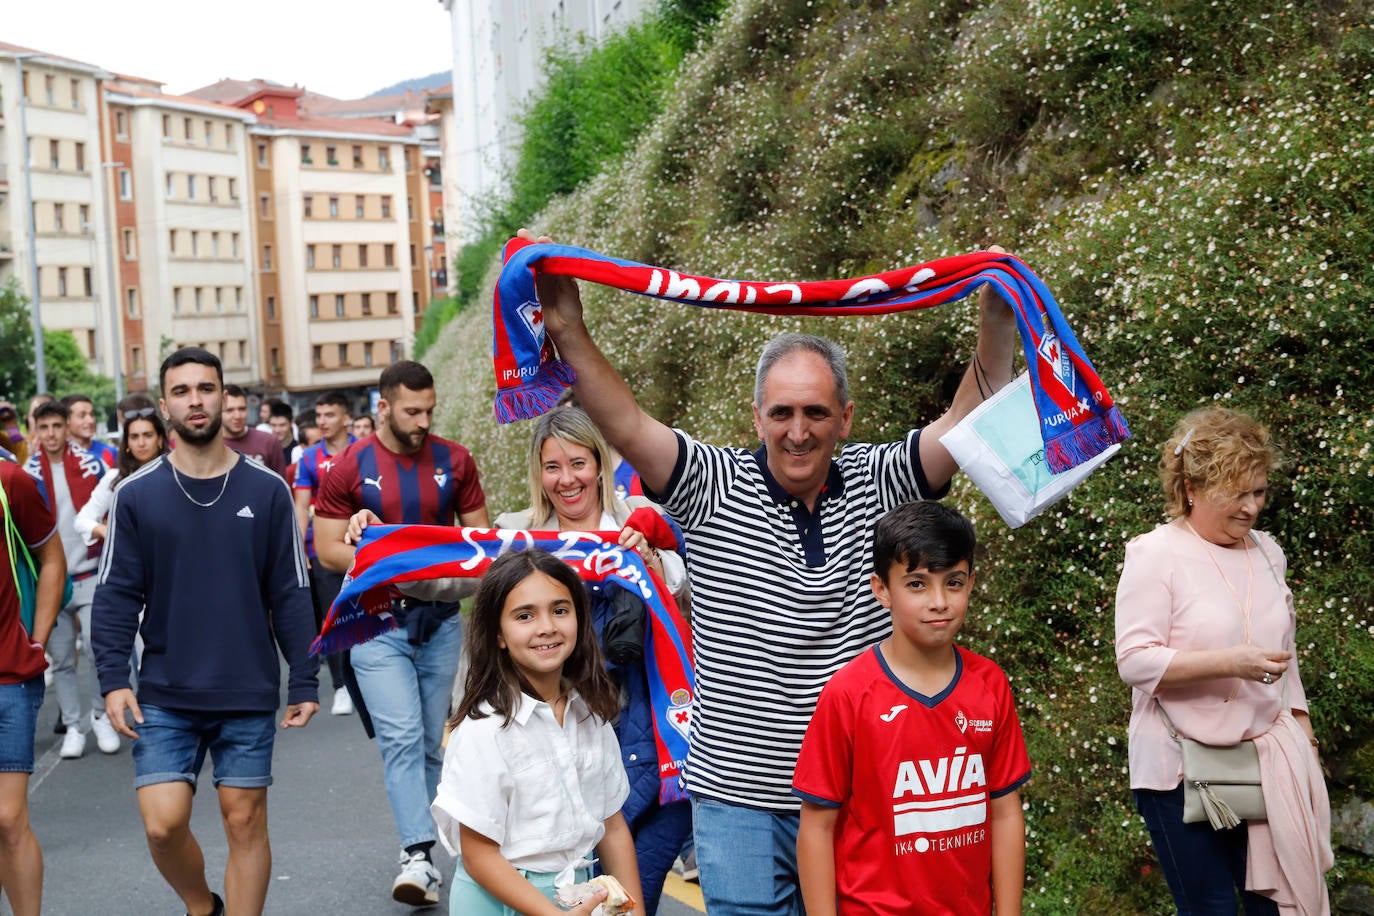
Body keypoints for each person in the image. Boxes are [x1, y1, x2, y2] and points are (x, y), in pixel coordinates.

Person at [529, 230, 1018, 913]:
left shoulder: (884, 478)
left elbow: (971, 418)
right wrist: (566, 325)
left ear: (844, 417)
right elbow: (626, 422)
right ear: (756, 416)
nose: (798, 430)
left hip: (861, 796)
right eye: (782, 412)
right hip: (738, 803)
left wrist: (998, 316)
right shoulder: (709, 482)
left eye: (816, 412)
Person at [91, 347, 320, 916]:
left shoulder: (266, 490)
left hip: (246, 684)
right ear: (165, 406)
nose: (196, 400)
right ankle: (202, 907)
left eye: (206, 388)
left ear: (224, 396)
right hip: (165, 688)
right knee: (163, 826)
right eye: (183, 391)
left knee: (244, 821)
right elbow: (116, 593)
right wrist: (113, 677)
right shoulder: (135, 494)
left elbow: (290, 590)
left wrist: (307, 680)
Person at [1115, 406, 1331, 913]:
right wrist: (1230, 662)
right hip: (1178, 770)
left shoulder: (1268, 552)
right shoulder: (1155, 553)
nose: (1251, 507)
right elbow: (1135, 662)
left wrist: (1305, 738)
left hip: (1264, 765)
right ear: (1190, 488)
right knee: (1211, 908)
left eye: (1258, 491)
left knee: (1270, 908)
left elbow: (1286, 660)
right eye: (1236, 493)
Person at [494, 406, 690, 915]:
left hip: (659, 751)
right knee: (582, 904)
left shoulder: (646, 523)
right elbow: (451, 572)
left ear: (600, 463)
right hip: (561, 756)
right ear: (538, 473)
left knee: (627, 900)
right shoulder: (520, 537)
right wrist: (384, 547)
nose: (567, 479)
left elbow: (693, 590)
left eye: (578, 463)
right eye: (552, 467)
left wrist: (649, 562)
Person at [793, 500, 1031, 915]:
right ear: (881, 589)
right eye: (917, 584)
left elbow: (1004, 813)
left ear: (972, 582)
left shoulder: (990, 684)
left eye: (953, 582)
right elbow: (817, 825)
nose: (939, 601)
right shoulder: (848, 694)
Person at [314, 360, 488, 907]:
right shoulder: (347, 466)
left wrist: (444, 571)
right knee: (402, 737)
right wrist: (388, 563)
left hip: (438, 620)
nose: (423, 419)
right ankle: (416, 853)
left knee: (435, 743)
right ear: (383, 407)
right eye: (412, 410)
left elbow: (479, 541)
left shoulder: (455, 460)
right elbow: (325, 549)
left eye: (429, 410)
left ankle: (436, 856)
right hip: (375, 622)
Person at [431, 548, 643, 916]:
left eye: (560, 610)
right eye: (525, 615)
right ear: (498, 633)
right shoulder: (485, 729)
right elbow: (479, 854)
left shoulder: (591, 716)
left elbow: (611, 826)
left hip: (574, 894)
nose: (546, 626)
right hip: (498, 899)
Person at [23, 400, 116, 759]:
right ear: (36, 431)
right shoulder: (28, 472)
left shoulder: (93, 465)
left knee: (96, 647)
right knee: (60, 657)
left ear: (66, 427)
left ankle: (99, 715)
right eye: (43, 428)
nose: (50, 434)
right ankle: (74, 726)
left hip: (91, 572)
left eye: (56, 426)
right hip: (52, 579)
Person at [0, 457, 66, 916]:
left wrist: (38, 640)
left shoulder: (9, 480)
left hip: (10, 675)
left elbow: (52, 557)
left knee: (7, 819)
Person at [291, 391, 355, 716]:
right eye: (319, 416)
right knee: (333, 617)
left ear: (345, 418)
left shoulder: (365, 450)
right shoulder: (308, 458)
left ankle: (366, 681)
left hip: (364, 547)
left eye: (329, 415)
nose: (322, 422)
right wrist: (299, 548)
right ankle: (341, 686)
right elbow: (302, 506)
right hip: (323, 550)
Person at [220, 385, 288, 481]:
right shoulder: (211, 446)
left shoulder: (269, 442)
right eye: (229, 410)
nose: (237, 416)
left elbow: (281, 485)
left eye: (242, 409)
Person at [61, 394, 117, 468]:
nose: (90, 420)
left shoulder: (109, 452)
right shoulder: (57, 455)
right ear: (66, 420)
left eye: (92, 414)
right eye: (82, 415)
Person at [266, 401, 300, 467]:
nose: (277, 430)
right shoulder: (266, 451)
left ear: (291, 423)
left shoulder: (298, 450)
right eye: (273, 425)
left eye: (282, 425)